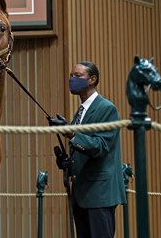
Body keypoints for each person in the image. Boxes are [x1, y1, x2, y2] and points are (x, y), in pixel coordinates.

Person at [53, 61, 127, 238]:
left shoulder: (106, 108)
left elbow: (100, 146)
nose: (72, 79)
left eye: (78, 76)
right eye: (71, 76)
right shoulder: (80, 112)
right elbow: (82, 148)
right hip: (82, 194)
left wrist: (70, 133)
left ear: (92, 79)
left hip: (99, 194)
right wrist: (67, 162)